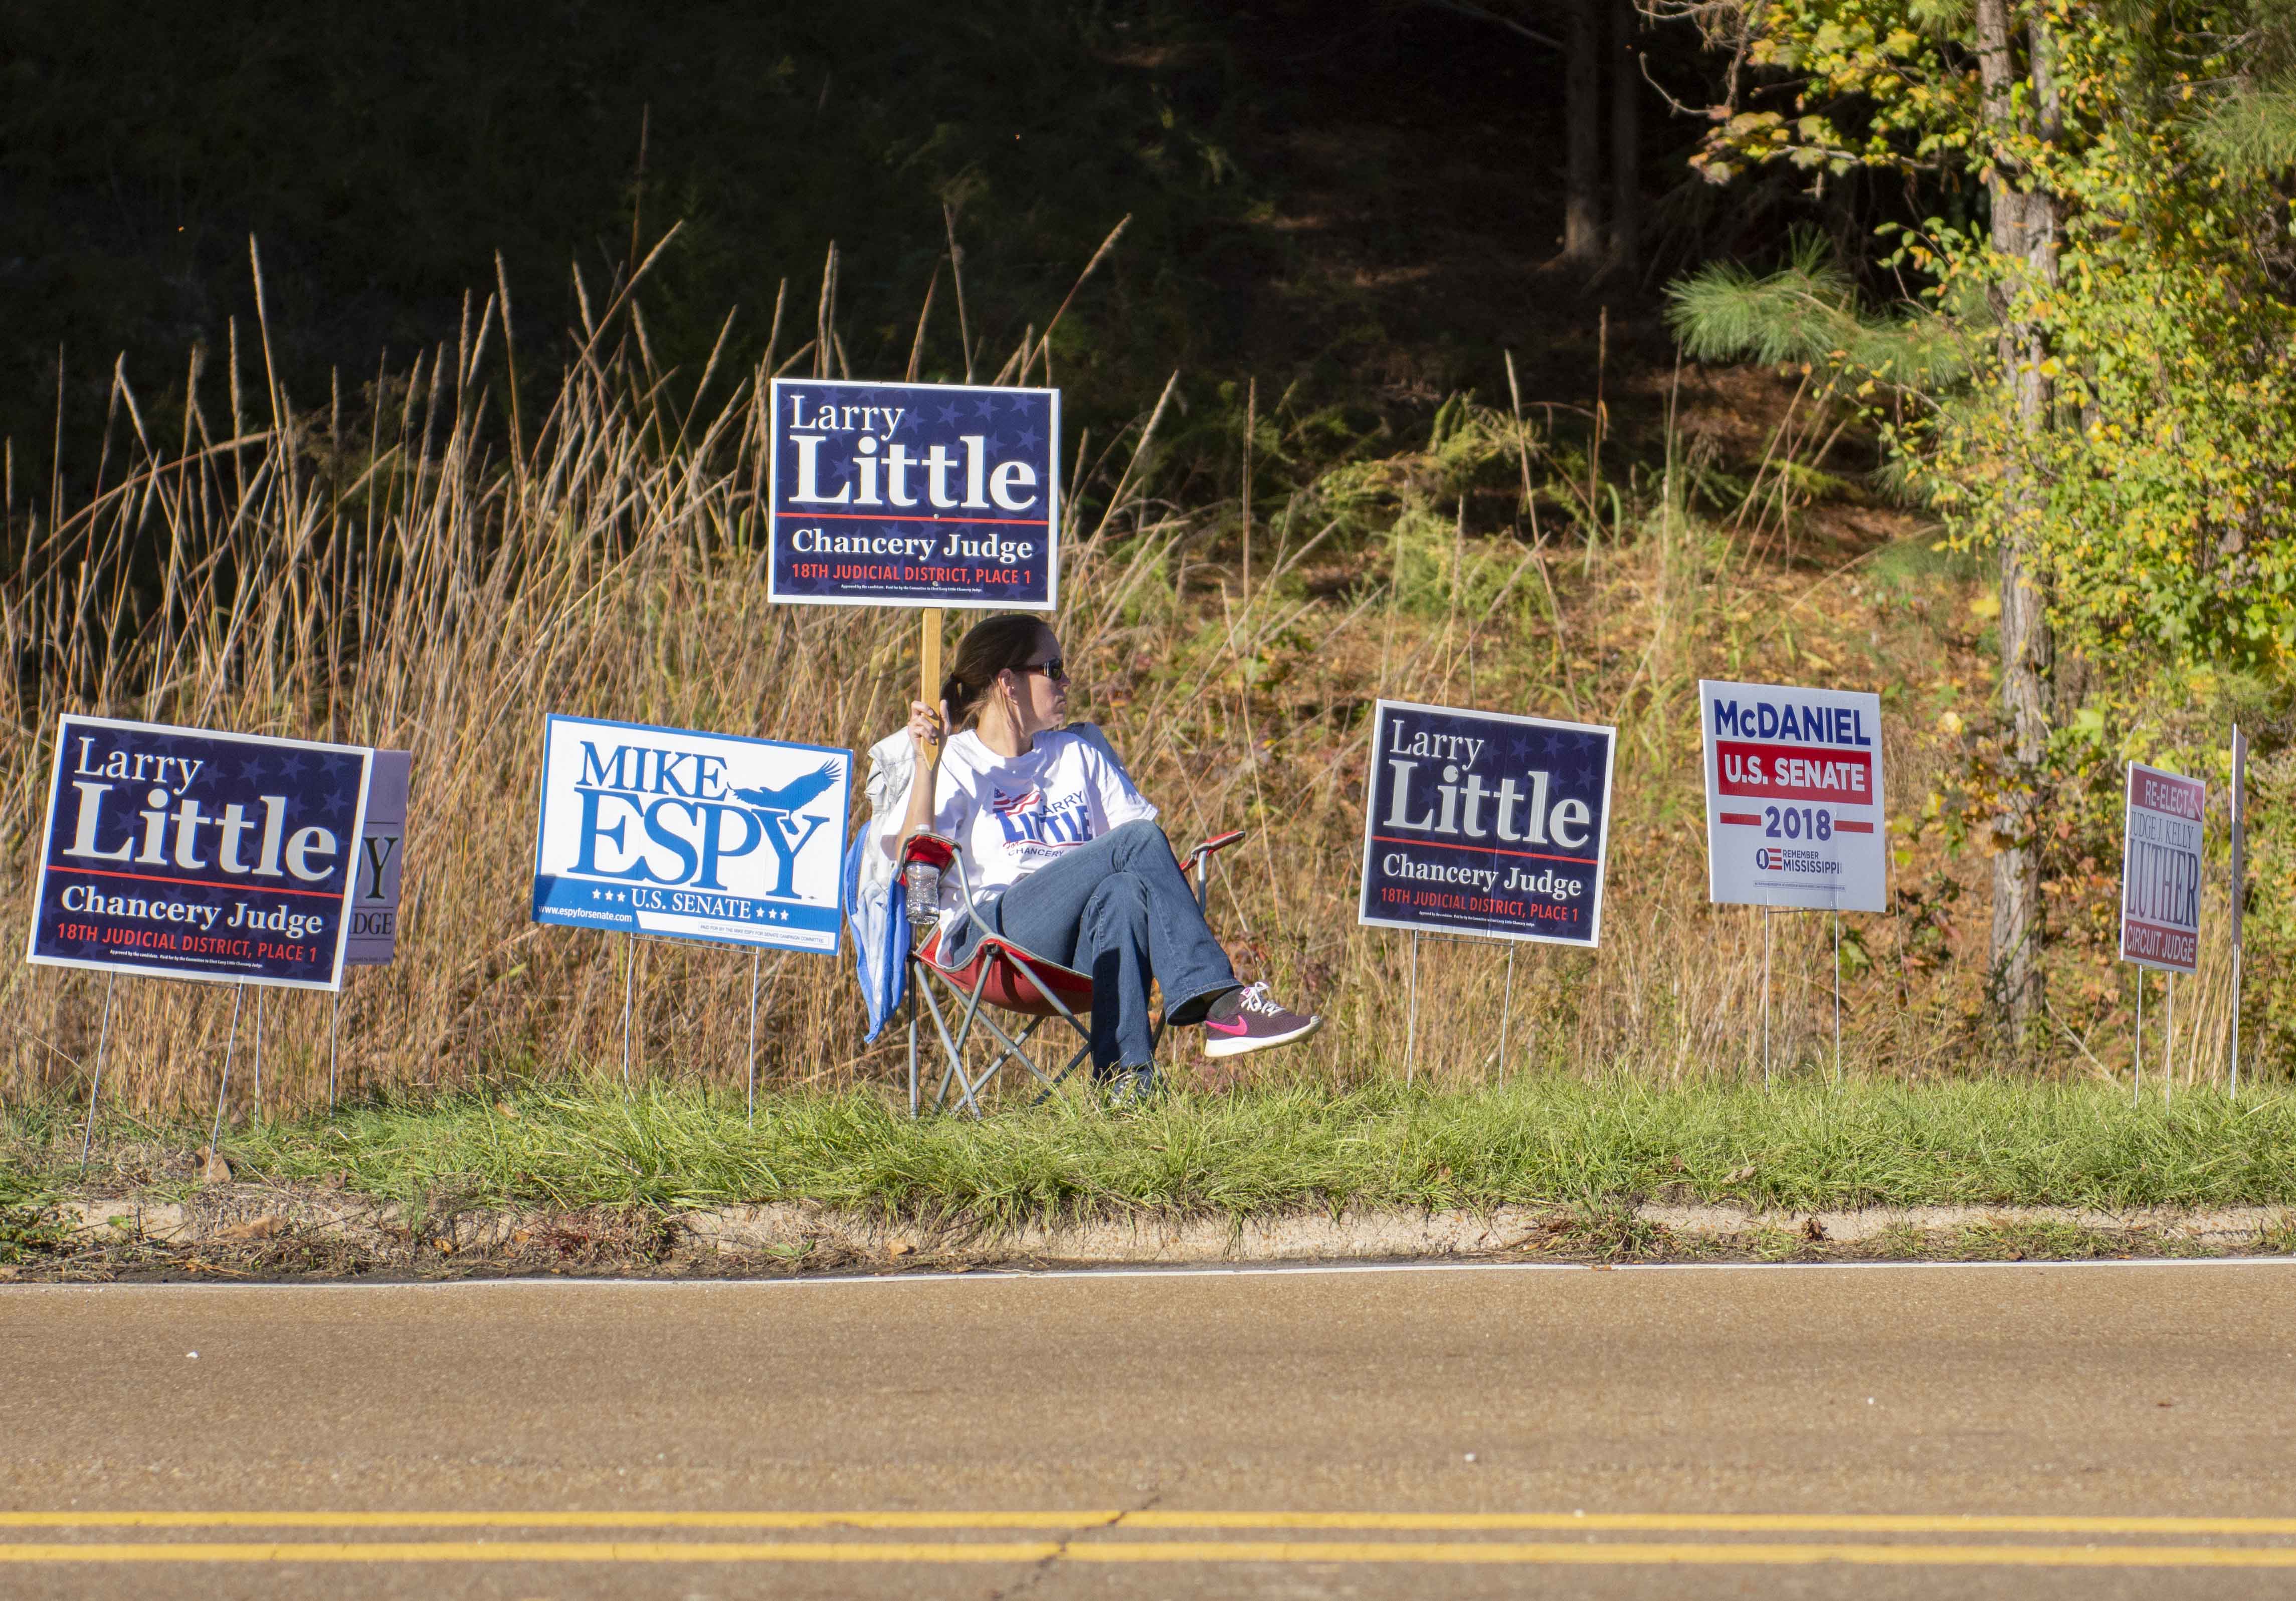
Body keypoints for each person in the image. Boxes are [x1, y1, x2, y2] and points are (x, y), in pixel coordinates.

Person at [881, 613, 1320, 1094]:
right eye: (1052, 668)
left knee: (1125, 890)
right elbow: (911, 858)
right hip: (991, 940)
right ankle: (1221, 1004)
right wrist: (928, 764)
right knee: (1136, 841)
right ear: (1007, 682)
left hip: (1076, 946)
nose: (1067, 680)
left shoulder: (1076, 753)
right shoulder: (958, 759)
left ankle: (1126, 1084)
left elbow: (1144, 864)